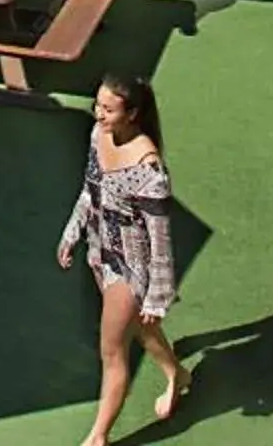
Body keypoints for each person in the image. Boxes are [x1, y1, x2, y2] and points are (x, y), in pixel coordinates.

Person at [56, 73, 188, 442]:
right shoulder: (99, 135)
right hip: (100, 251)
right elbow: (90, 190)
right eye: (97, 105)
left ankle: (97, 437)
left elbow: (160, 241)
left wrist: (156, 297)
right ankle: (177, 374)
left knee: (112, 350)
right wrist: (73, 232)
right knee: (140, 329)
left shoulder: (150, 171)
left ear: (132, 114)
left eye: (108, 109)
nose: (98, 114)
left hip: (130, 269)